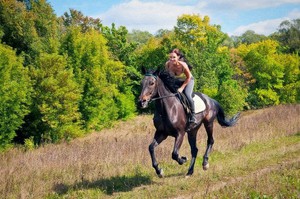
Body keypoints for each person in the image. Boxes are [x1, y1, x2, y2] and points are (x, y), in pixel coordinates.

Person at [165, 49, 196, 128]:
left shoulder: (183, 65)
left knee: (187, 95)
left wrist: (182, 88)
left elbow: (188, 77)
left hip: (188, 80)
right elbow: (168, 77)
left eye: (174, 57)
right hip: (177, 81)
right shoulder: (167, 64)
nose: (172, 59)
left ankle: (193, 116)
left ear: (178, 57)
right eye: (170, 57)